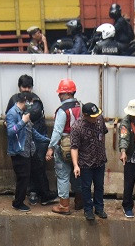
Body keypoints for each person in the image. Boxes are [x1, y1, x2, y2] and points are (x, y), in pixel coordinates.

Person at [6, 75, 55, 206]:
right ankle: (30, 195)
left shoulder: (36, 100)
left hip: (35, 140)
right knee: (25, 172)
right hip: (21, 143)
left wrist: (48, 141)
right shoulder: (14, 102)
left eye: (29, 87)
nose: (26, 89)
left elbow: (34, 115)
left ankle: (43, 194)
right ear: (19, 87)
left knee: (38, 167)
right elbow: (11, 123)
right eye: (24, 87)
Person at [46, 79, 83, 215]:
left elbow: (57, 131)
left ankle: (64, 205)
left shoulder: (62, 111)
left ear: (67, 94)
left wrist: (51, 148)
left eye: (61, 93)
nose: (59, 96)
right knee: (77, 172)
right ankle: (79, 201)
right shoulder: (81, 106)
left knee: (62, 175)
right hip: (80, 145)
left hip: (65, 146)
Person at [70, 103, 109, 222]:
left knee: (99, 186)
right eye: (93, 116)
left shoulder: (100, 120)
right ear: (85, 115)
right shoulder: (77, 127)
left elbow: (104, 133)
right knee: (86, 187)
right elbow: (74, 147)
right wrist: (76, 165)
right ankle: (88, 209)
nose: (96, 118)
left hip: (99, 160)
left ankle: (99, 208)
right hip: (85, 163)